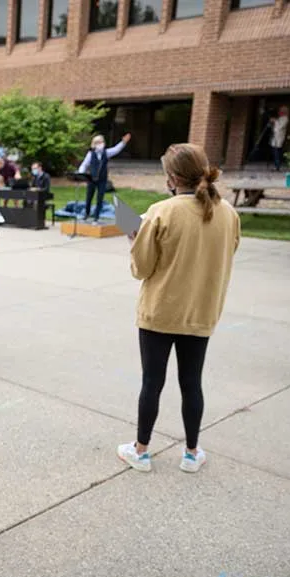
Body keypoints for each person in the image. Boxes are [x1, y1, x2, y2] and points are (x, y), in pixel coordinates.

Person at [118, 143, 240, 474]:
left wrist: (134, 240)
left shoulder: (161, 212)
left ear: (172, 178)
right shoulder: (228, 213)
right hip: (201, 310)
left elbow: (142, 268)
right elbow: (228, 253)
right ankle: (191, 452)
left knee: (152, 382)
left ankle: (141, 451)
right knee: (192, 382)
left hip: (160, 312)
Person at [78, 133, 131, 222]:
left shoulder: (106, 152)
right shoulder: (90, 154)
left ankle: (96, 217)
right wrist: (80, 173)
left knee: (100, 198)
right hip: (91, 179)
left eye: (101, 142)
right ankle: (86, 214)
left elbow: (116, 149)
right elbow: (84, 164)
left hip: (102, 180)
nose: (100, 144)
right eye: (98, 142)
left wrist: (123, 142)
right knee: (89, 197)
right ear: (94, 144)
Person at [269, 106, 289, 171]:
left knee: (276, 152)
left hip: (278, 138)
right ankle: (276, 165)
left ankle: (277, 166)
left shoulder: (285, 118)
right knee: (275, 152)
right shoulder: (280, 118)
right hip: (276, 137)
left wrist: (275, 121)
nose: (279, 112)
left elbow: (279, 127)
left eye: (281, 110)